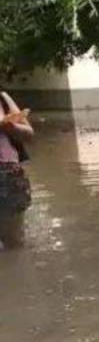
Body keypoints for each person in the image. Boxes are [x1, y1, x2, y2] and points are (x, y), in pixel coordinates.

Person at [0, 92, 34, 249]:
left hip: (8, 176)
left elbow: (29, 134)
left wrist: (10, 126)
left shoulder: (3, 98)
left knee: (14, 243)